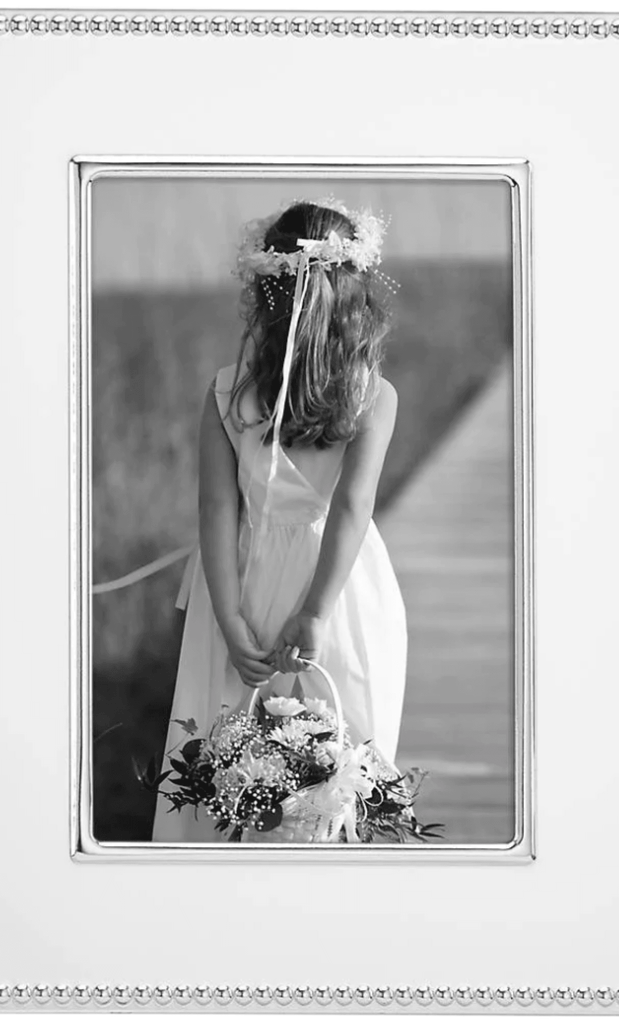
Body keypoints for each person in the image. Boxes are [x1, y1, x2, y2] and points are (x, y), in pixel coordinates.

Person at [151, 198, 407, 842]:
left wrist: (229, 617)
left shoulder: (227, 390)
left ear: (265, 295)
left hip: (239, 576)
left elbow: (216, 507)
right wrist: (316, 613)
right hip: (337, 587)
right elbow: (351, 506)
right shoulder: (372, 395)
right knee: (340, 749)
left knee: (225, 740)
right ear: (356, 296)